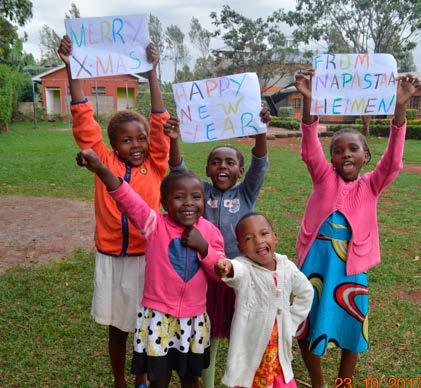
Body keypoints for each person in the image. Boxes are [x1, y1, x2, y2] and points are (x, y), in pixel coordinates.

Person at [293, 68, 421, 387]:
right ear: (332, 158)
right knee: (307, 325)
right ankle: (319, 383)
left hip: (351, 268)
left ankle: (343, 382)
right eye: (338, 150)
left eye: (353, 149)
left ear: (366, 156)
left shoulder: (372, 185)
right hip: (316, 264)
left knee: (352, 326)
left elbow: (393, 161)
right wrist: (309, 102)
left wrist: (400, 107)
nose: (345, 154)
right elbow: (310, 146)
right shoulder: (323, 177)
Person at [58, 36, 173, 388]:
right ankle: (119, 380)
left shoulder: (154, 166)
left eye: (140, 138)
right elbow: (83, 119)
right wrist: (70, 66)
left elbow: (159, 122)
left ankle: (140, 377)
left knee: (143, 322)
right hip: (110, 258)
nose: (136, 145)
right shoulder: (102, 162)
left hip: (145, 258)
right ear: (112, 145)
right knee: (116, 326)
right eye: (126, 140)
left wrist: (152, 72)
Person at [76, 149, 226, 388]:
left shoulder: (209, 232)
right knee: (158, 378)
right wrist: (100, 168)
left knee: (190, 378)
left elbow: (219, 272)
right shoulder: (154, 224)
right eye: (179, 197)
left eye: (196, 197)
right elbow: (127, 197)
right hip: (158, 318)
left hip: (194, 319)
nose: (189, 203)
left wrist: (204, 248)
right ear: (164, 202)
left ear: (203, 201)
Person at [167, 109, 271, 388]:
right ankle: (207, 381)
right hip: (206, 276)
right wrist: (174, 139)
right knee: (207, 333)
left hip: (240, 276)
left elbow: (260, 163)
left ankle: (242, 379)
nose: (222, 167)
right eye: (215, 162)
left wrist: (260, 129)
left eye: (229, 162)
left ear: (240, 169)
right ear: (206, 169)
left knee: (241, 330)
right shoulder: (200, 190)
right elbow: (177, 170)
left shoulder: (246, 192)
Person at [215, 212, 313, 388]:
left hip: (278, 346)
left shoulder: (286, 266)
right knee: (252, 377)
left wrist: (292, 321)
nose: (259, 241)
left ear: (275, 237)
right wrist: (228, 267)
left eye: (264, 233)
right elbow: (237, 271)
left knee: (278, 374)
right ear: (241, 248)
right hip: (252, 345)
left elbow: (306, 291)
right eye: (249, 238)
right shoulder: (245, 267)